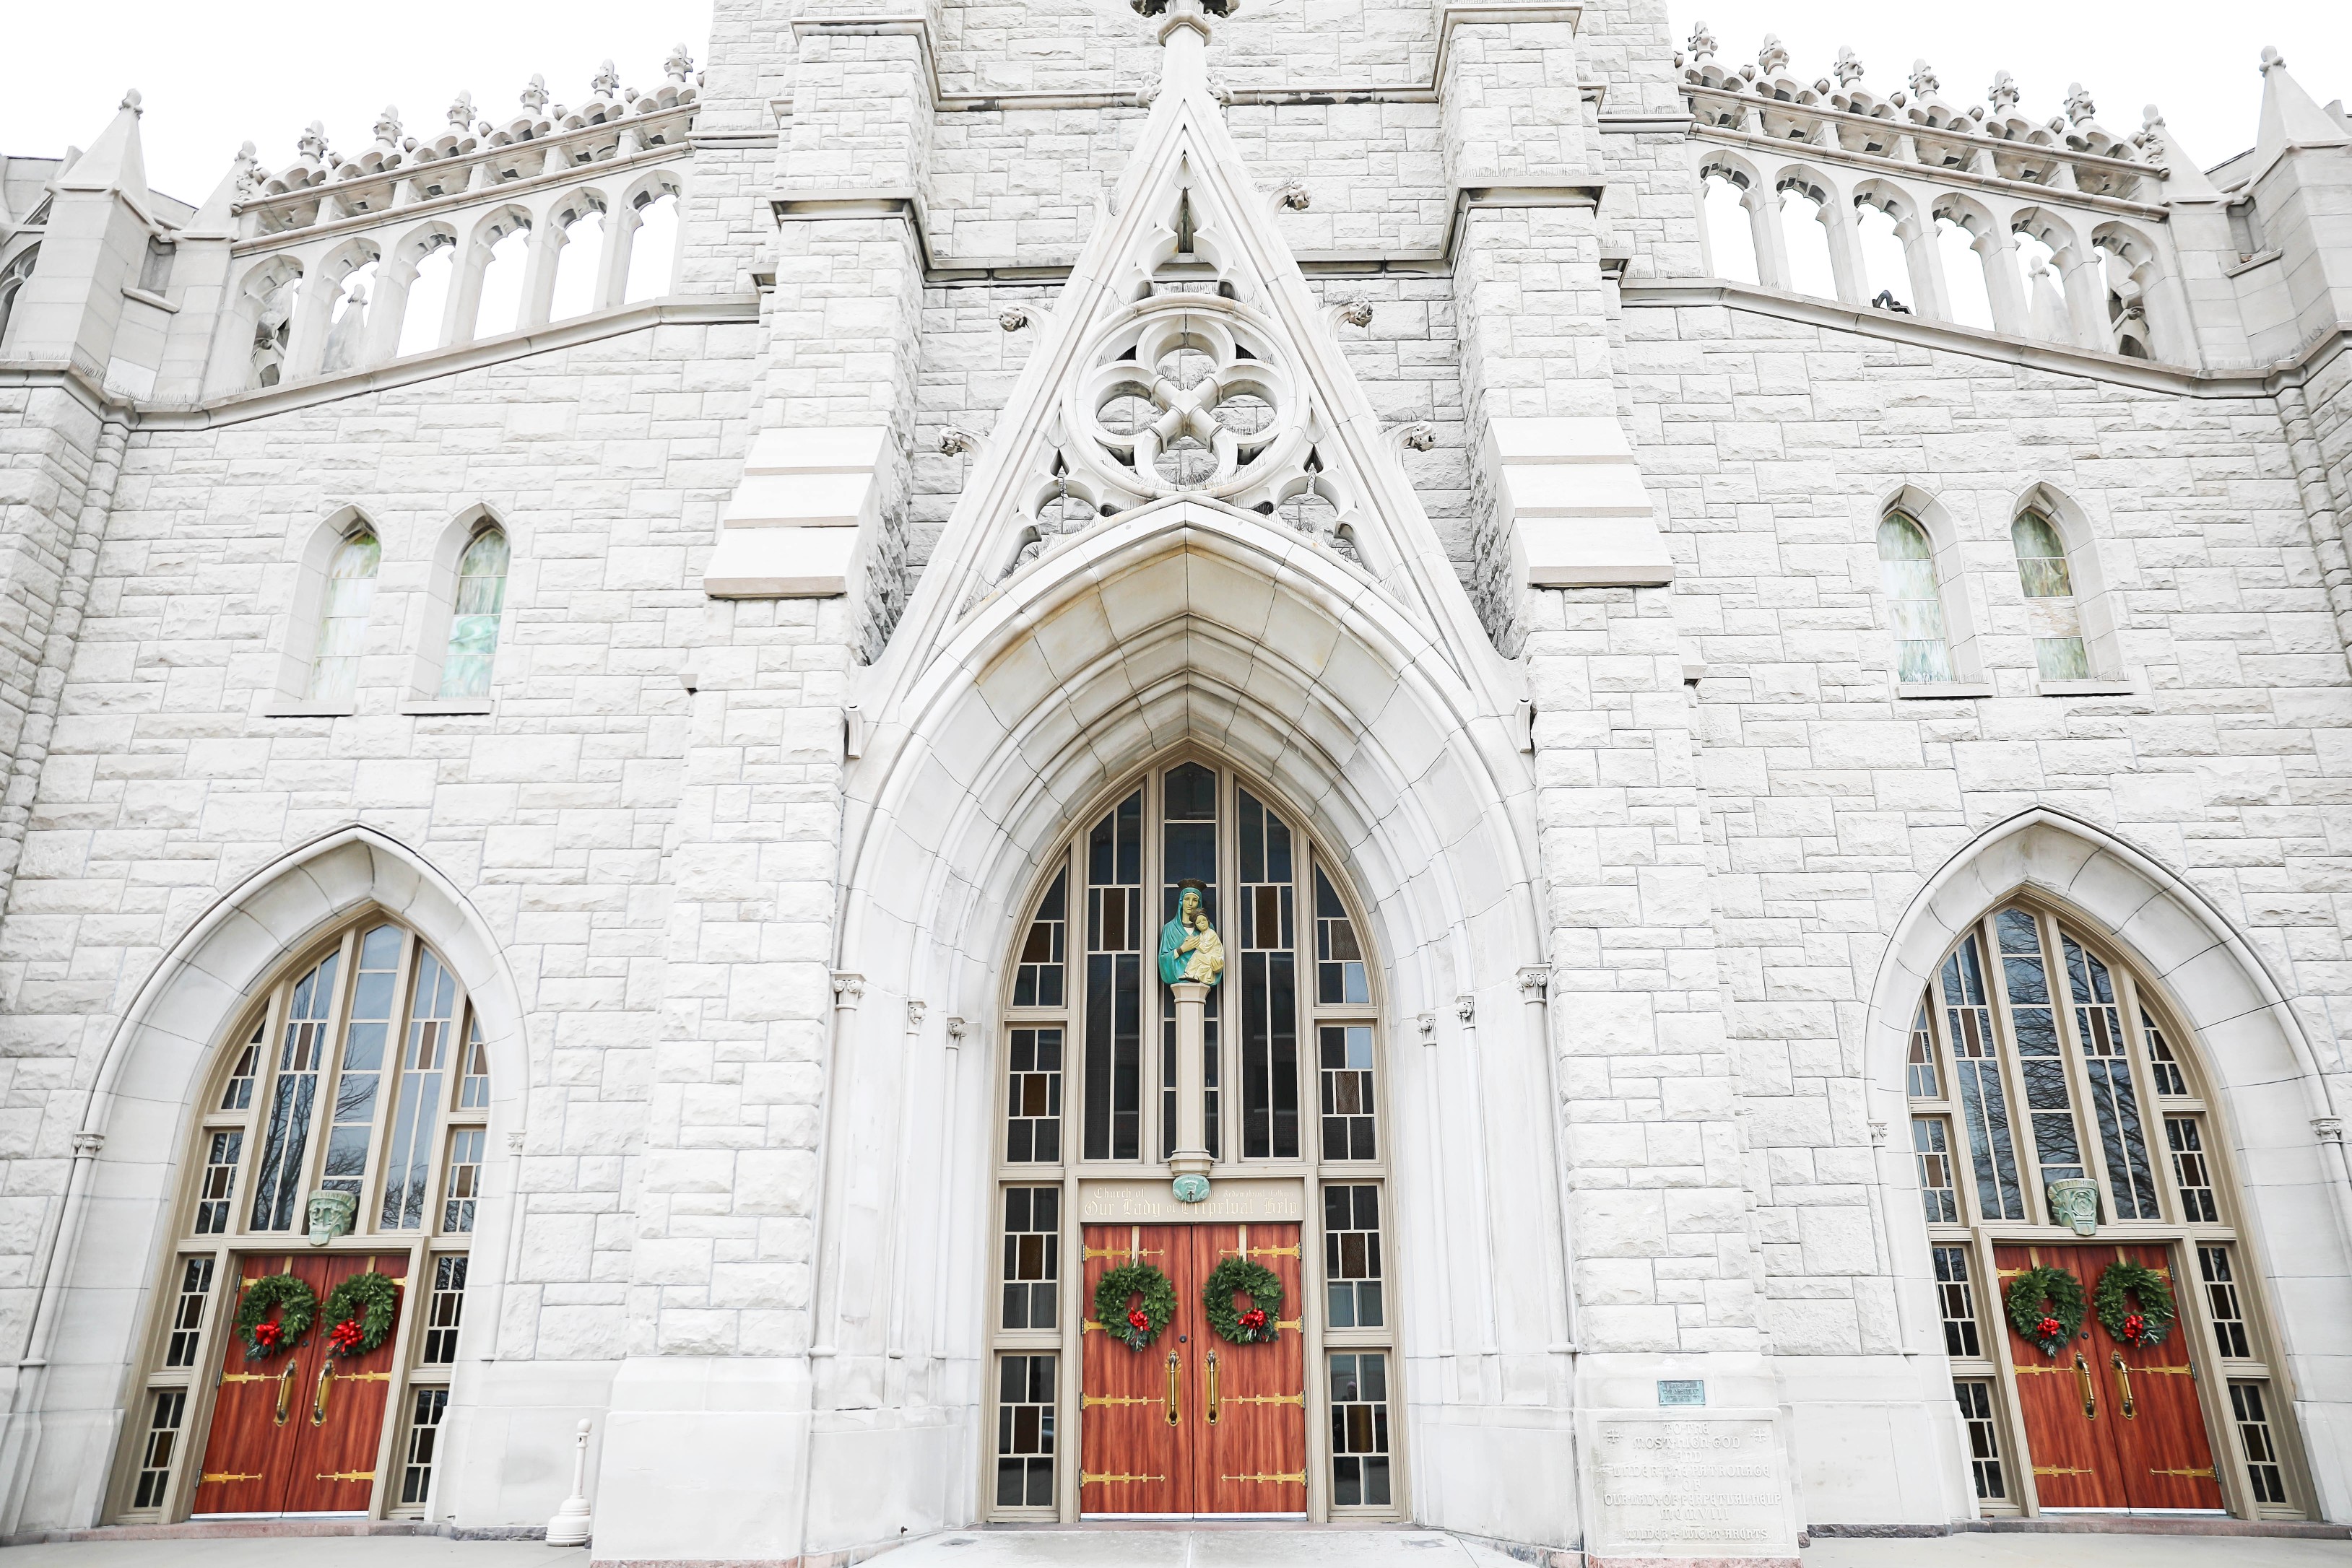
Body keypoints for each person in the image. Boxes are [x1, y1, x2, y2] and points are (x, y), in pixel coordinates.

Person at [1156, 879, 1225, 987]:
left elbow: (1215, 952)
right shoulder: (1169, 929)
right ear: (1181, 901)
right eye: (1187, 899)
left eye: (1195, 900)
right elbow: (1163, 960)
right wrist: (1182, 949)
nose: (1190, 904)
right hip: (1178, 983)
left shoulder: (1208, 928)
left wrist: (1217, 968)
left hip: (1203, 975)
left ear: (1199, 903)